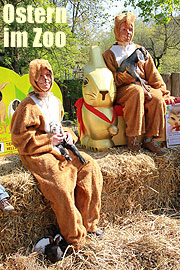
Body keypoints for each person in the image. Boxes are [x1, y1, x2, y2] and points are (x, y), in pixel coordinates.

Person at [10, 59, 103, 250]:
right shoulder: (27, 106)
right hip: (37, 152)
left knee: (90, 167)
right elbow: (19, 139)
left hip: (60, 147)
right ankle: (74, 237)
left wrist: (67, 135)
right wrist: (48, 141)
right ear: (33, 79)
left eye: (48, 76)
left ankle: (89, 224)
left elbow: (58, 126)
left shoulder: (55, 101)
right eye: (40, 77)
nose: (45, 80)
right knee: (61, 185)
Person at [103, 12, 174, 154]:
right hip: (122, 90)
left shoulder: (140, 50)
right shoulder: (109, 54)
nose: (127, 32)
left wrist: (163, 92)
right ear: (117, 30)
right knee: (136, 92)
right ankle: (133, 139)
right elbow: (111, 80)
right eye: (123, 29)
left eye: (130, 29)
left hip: (143, 86)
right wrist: (126, 76)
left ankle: (149, 140)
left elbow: (153, 74)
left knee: (157, 98)